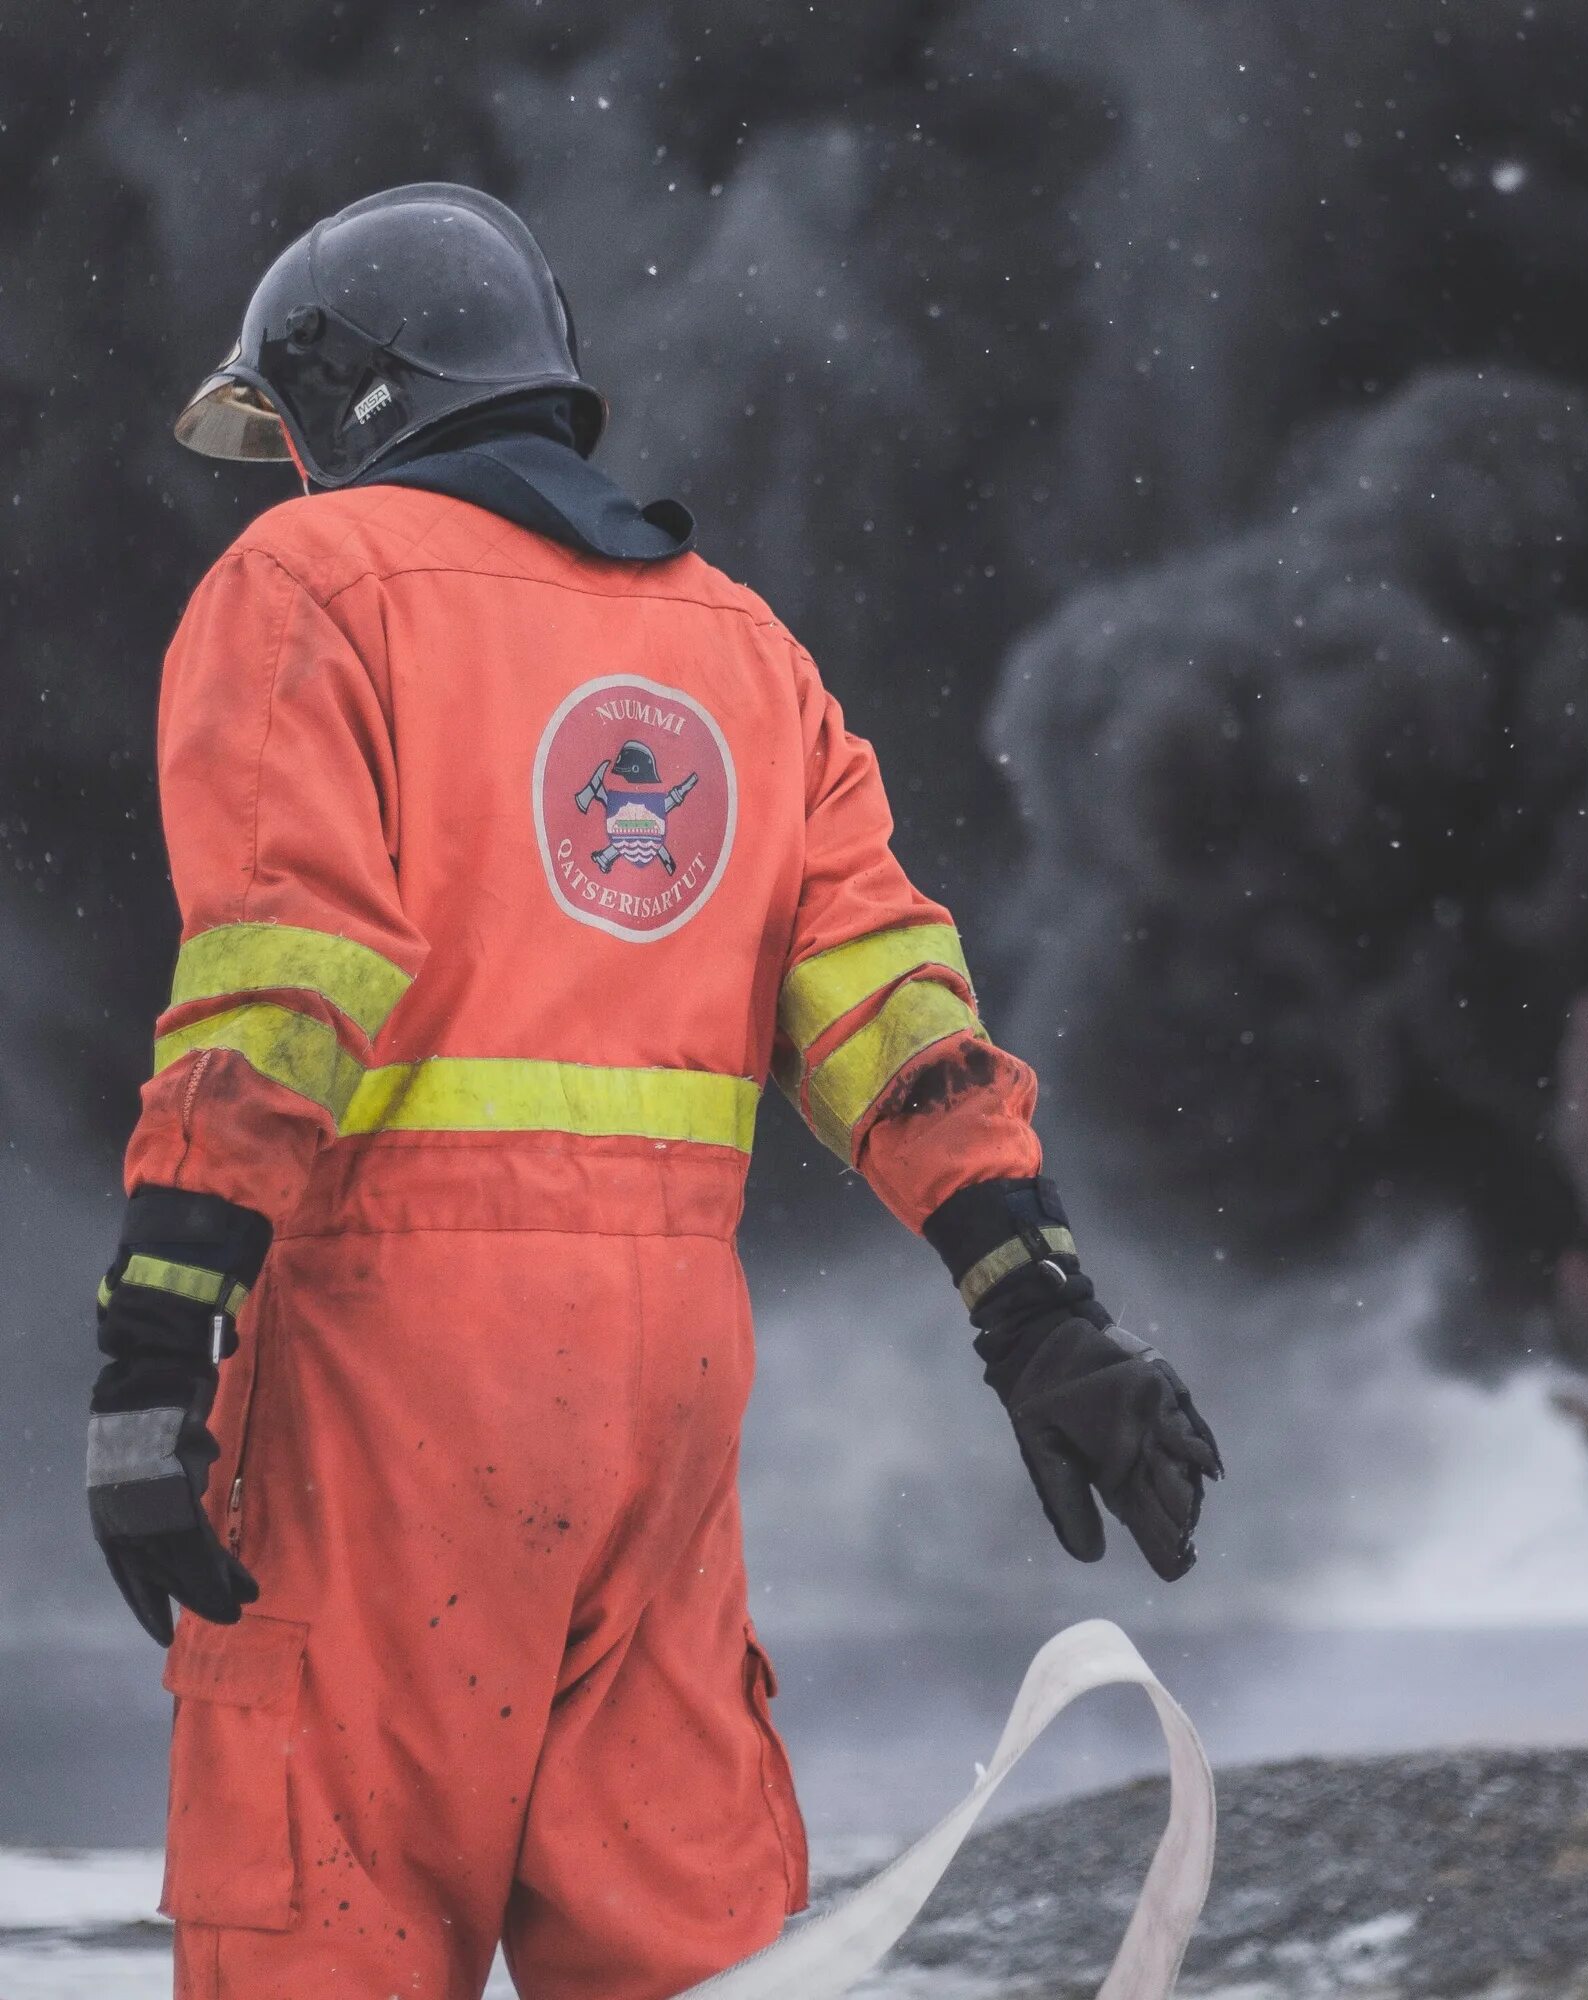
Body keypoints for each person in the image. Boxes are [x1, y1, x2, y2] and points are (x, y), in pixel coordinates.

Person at [86, 183, 1222, 2000]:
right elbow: (891, 1012)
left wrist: (158, 1344)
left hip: (392, 1381)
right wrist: (1038, 1312)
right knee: (684, 1947)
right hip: (666, 1399)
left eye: (293, 430)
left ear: (353, 396)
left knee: (334, 1914)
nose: (291, 472)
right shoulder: (743, 651)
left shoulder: (303, 584)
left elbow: (283, 981)